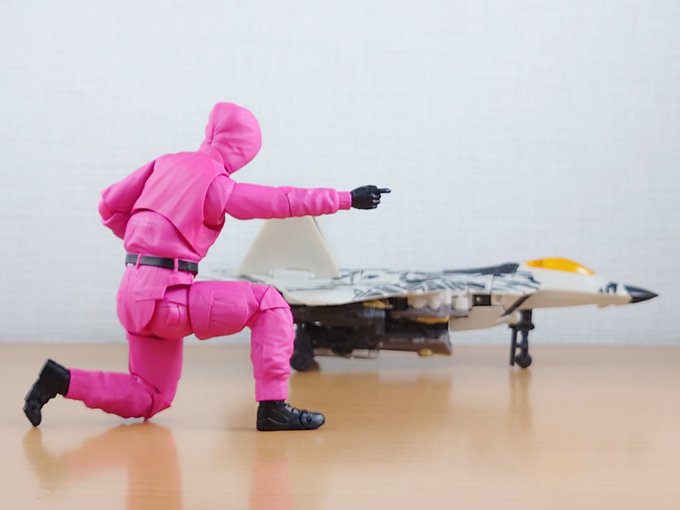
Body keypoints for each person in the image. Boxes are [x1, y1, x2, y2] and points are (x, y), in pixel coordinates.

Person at [23, 102, 389, 431]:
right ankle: (273, 407)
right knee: (270, 303)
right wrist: (346, 198)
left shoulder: (163, 164)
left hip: (132, 293)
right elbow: (281, 201)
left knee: (151, 396)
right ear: (243, 149)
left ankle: (62, 380)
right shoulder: (217, 185)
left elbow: (108, 205)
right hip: (168, 301)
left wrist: (145, 245)